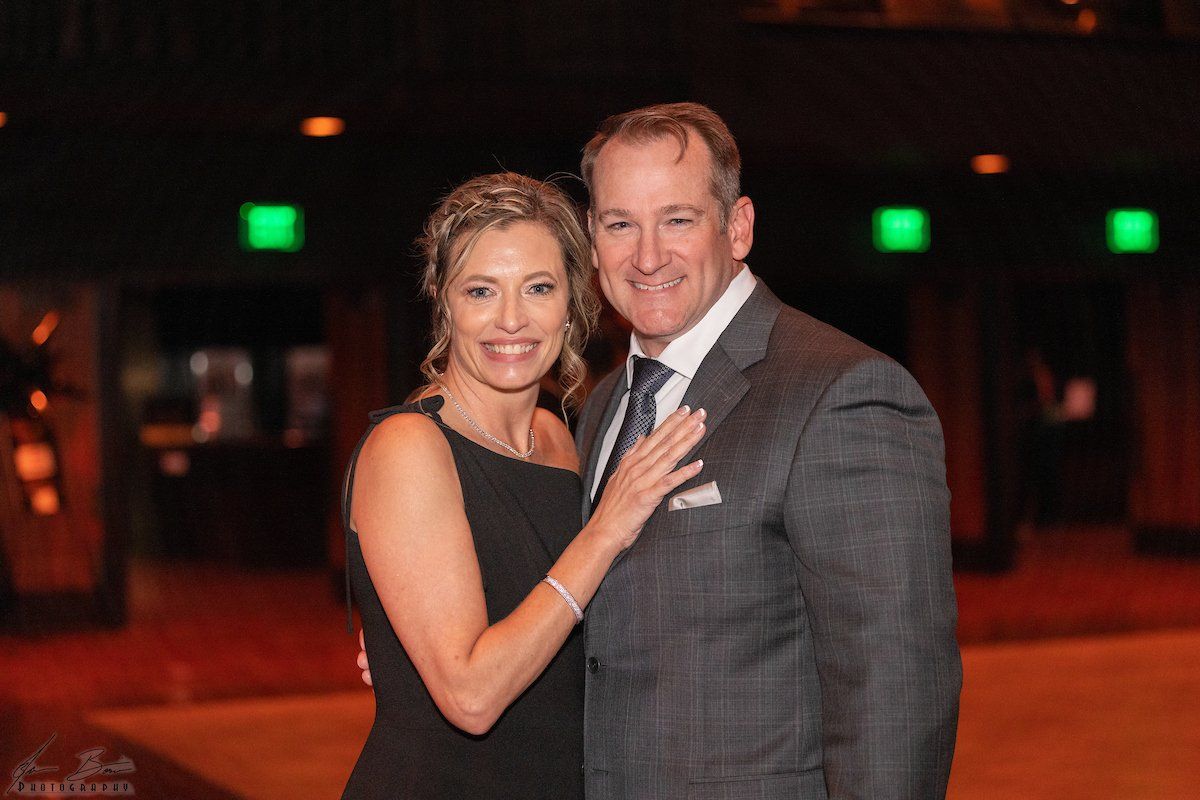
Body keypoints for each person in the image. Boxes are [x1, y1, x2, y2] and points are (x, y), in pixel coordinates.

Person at [363, 103, 962, 799]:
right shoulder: (601, 410)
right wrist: (415, 646)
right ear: (592, 240)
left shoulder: (840, 393)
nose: (647, 256)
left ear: (737, 227)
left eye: (677, 219)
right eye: (621, 224)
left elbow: (896, 681)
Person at [341, 172, 707, 799]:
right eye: (481, 290)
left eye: (539, 288)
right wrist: (604, 532)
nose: (511, 320)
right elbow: (472, 697)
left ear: (573, 302)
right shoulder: (409, 446)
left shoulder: (562, 436)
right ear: (443, 300)